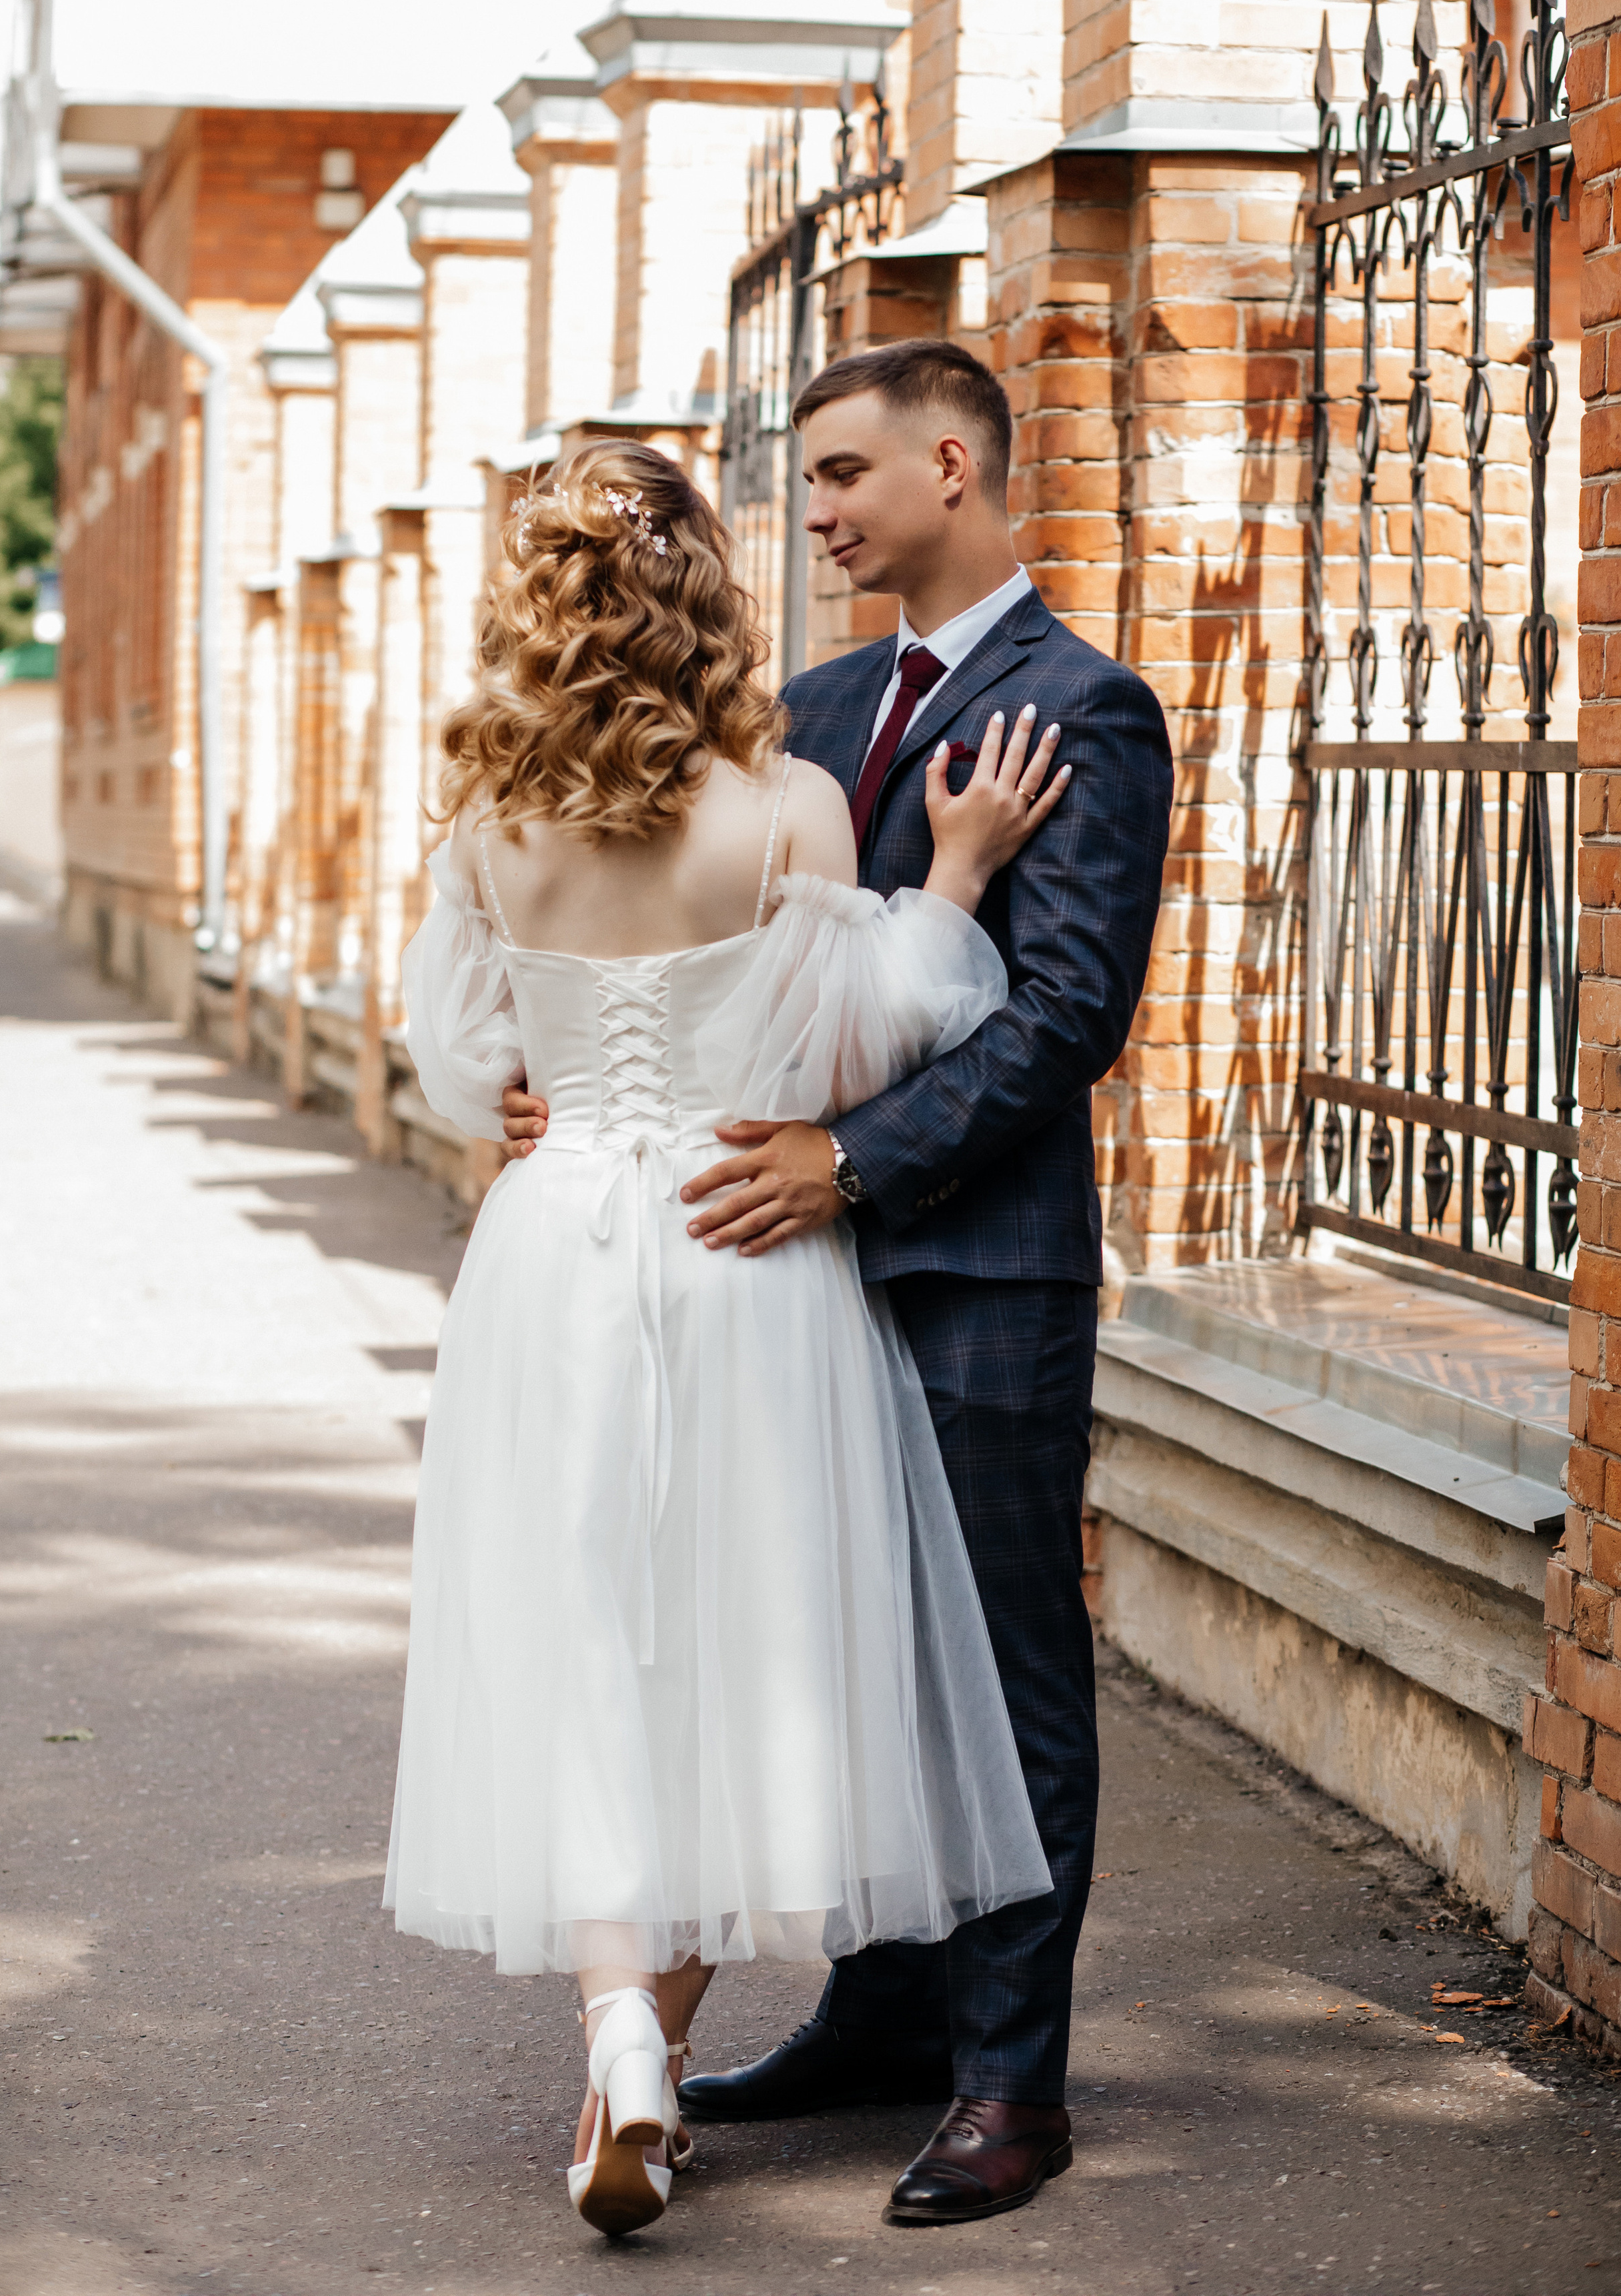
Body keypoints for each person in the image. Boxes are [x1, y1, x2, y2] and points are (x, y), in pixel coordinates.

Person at [505, 340, 1172, 2227]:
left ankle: (1007, 2086)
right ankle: (878, 2018)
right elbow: (759, 977)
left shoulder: (1085, 709)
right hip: (779, 1283)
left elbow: (1064, 1022)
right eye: (799, 483)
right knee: (853, 1660)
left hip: (969, 1267)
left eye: (844, 475)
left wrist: (844, 1161)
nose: (814, 512)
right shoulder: (806, 703)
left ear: (951, 467)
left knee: (1006, 1669)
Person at [385, 437, 1073, 2243]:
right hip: (737, 1234)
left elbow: (465, 1062)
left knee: (591, 1652)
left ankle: (626, 2050)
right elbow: (879, 1048)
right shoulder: (788, 810)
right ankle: (650, 2071)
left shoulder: (482, 821)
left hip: (552, 1259)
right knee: (716, 1654)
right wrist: (960, 875)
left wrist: (533, 1101)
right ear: (703, 591)